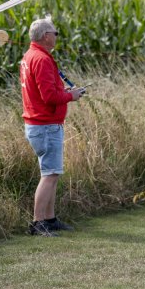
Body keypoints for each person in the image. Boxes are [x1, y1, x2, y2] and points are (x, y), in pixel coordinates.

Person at [19, 16, 85, 237]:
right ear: (46, 36)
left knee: (52, 173)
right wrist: (71, 96)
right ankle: (38, 222)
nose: (56, 36)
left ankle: (50, 219)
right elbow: (49, 97)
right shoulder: (41, 59)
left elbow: (42, 92)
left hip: (39, 124)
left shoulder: (30, 56)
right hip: (45, 125)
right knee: (49, 174)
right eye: (55, 33)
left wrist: (65, 93)